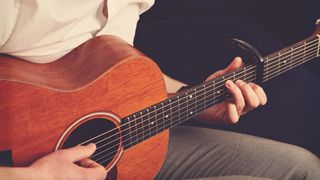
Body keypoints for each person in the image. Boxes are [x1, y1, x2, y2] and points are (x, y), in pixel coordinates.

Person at [0, 1, 319, 180]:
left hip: (116, 149)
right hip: (27, 169)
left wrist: (191, 99)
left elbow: (108, 77)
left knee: (301, 168)